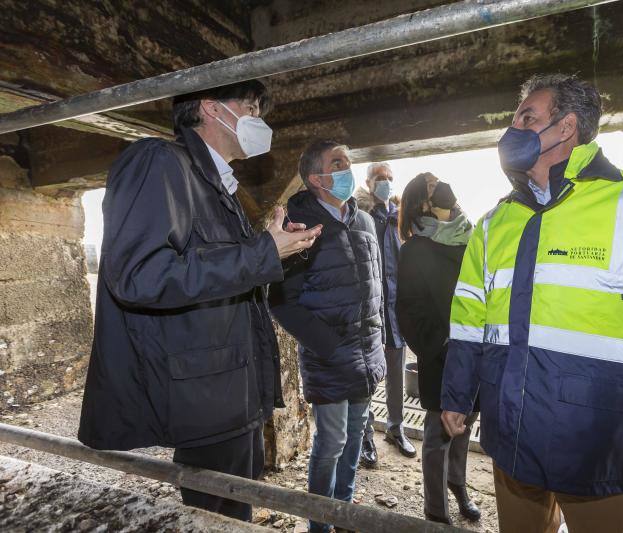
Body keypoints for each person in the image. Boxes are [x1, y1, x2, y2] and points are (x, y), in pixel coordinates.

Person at [440, 74, 623, 533]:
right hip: (512, 441)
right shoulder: (494, 222)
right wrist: (457, 394)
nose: (514, 129)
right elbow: (468, 318)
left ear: (565, 128)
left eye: (528, 117)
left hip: (600, 446)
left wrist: (614, 392)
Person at [78, 80, 321, 521]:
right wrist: (262, 252)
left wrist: (276, 249)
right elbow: (140, 276)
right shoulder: (159, 162)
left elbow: (217, 277)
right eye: (250, 108)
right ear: (210, 108)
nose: (258, 121)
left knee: (234, 511)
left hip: (232, 388)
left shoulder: (216, 184)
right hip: (206, 394)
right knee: (213, 516)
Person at [269, 139, 386, 533]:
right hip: (331, 358)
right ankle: (319, 524)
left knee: (355, 439)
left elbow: (376, 288)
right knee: (332, 443)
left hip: (367, 354)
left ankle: (344, 513)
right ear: (317, 178)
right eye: (338, 163)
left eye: (348, 161)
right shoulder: (298, 227)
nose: (347, 170)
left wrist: (379, 341)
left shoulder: (365, 221)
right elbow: (282, 302)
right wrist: (332, 347)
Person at [396, 172, 481, 525]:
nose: (441, 187)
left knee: (465, 425)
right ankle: (435, 510)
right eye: (431, 187)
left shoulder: (472, 238)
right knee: (438, 434)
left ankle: (457, 484)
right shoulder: (415, 249)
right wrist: (442, 341)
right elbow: (408, 309)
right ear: (422, 203)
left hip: (475, 350)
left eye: (441, 182)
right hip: (442, 353)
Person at [355, 162, 417, 467]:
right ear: (368, 182)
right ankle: (366, 434)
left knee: (396, 373)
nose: (386, 182)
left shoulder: (399, 217)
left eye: (391, 178)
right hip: (368, 311)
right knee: (368, 375)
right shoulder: (359, 216)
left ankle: (395, 428)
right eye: (380, 178)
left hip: (395, 310)